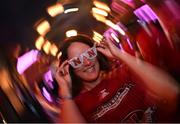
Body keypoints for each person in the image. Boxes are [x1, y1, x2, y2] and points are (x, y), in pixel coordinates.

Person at [54, 34, 179, 123]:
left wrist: (119, 55)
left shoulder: (124, 72)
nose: (87, 63)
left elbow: (172, 91)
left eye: (90, 53)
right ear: (68, 68)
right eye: (77, 61)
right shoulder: (76, 105)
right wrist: (65, 91)